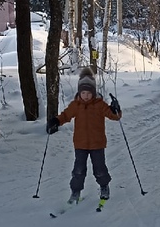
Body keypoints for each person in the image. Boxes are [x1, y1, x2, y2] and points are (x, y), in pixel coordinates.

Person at [47, 67, 122, 202]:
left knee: (99, 168)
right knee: (78, 170)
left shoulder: (100, 105)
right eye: (83, 93)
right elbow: (66, 115)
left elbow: (114, 116)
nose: (86, 95)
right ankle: (75, 191)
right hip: (80, 143)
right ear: (79, 92)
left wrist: (115, 109)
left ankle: (104, 186)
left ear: (93, 92)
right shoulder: (76, 105)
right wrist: (56, 121)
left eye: (88, 93)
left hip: (97, 143)